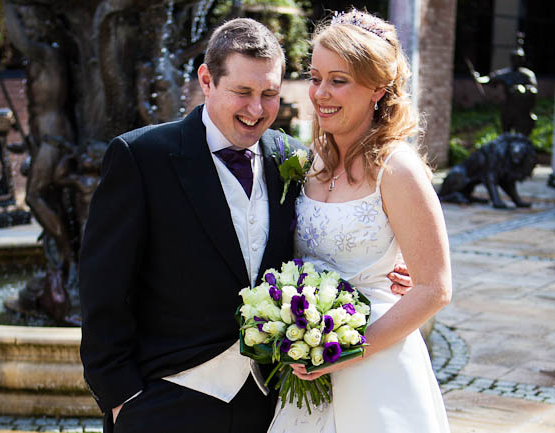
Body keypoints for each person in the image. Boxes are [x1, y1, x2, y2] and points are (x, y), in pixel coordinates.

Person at [79, 18, 411, 433]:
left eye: (269, 94)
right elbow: (101, 289)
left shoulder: (293, 160)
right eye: (243, 92)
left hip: (270, 400)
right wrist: (121, 399)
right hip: (168, 396)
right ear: (206, 79)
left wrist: (393, 270)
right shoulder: (141, 157)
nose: (257, 110)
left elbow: (323, 244)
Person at [268, 10, 451, 433]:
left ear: (377, 89)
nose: (320, 94)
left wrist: (346, 351)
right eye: (315, 77)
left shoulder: (397, 170)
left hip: (377, 372)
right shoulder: (311, 163)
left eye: (339, 80)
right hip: (308, 365)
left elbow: (435, 288)